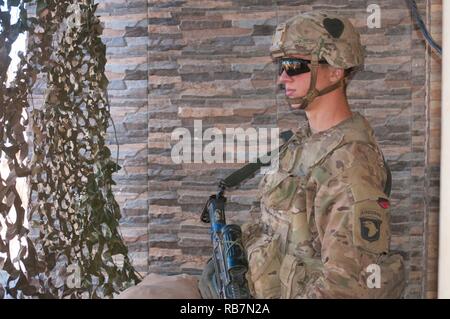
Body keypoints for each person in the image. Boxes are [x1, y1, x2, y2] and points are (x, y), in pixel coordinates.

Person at [199, 10, 406, 299]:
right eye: (281, 66)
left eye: (295, 65)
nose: (283, 78)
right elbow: (277, 228)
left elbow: (346, 288)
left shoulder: (350, 164)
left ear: (337, 69)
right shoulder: (302, 143)